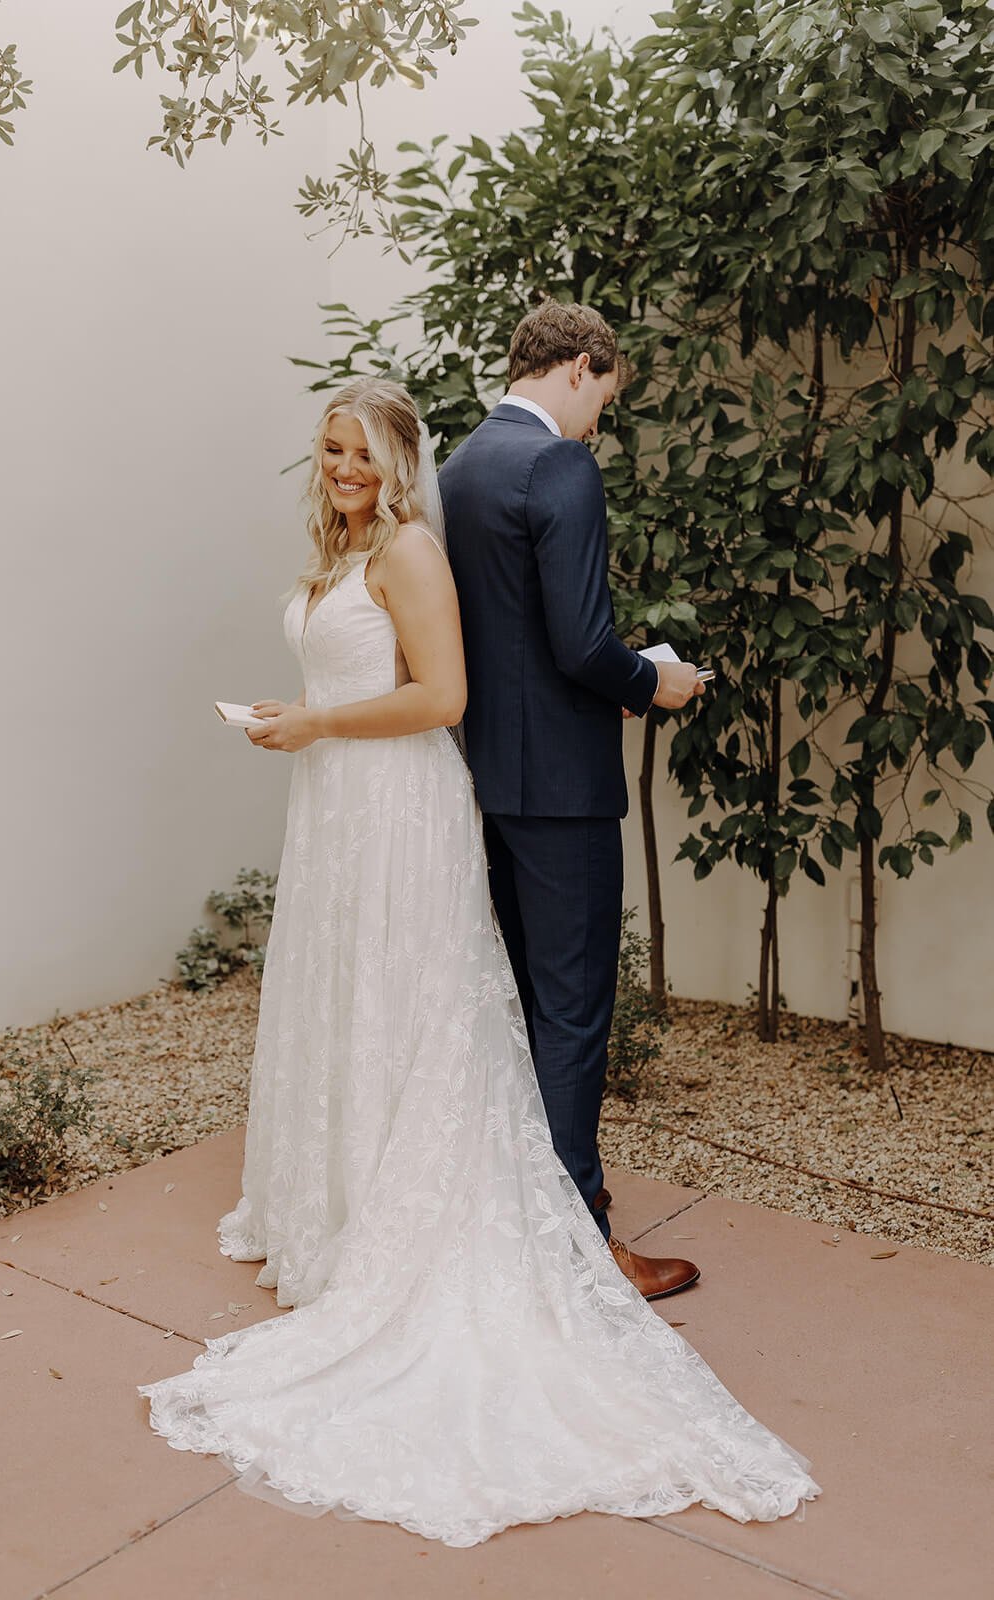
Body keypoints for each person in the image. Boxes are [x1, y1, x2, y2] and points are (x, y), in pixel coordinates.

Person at [138, 376, 819, 1546]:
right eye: (328, 449)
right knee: (352, 1003)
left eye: (358, 451)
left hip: (398, 810)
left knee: (414, 1006)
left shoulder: (407, 547)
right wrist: (288, 711)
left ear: (396, 459)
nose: (341, 468)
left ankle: (427, 1222)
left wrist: (314, 723)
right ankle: (345, 1199)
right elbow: (359, 678)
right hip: (339, 805)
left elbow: (441, 695)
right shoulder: (347, 543)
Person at [439, 299, 703, 1296]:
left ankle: (527, 1218)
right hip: (564, 789)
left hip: (496, 780)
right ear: (583, 367)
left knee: (532, 1005)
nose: (600, 422)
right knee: (574, 1012)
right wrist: (654, 683)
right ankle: (577, 1245)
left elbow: (500, 636)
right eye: (605, 400)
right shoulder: (558, 465)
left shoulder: (463, 465)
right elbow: (583, 644)